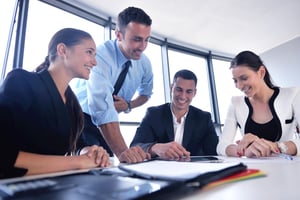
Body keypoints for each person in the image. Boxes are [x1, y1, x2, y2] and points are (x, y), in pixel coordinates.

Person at [0, 28, 111, 179]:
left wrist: (89, 153)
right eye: (89, 52)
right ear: (63, 50)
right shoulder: (21, 81)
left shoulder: (72, 104)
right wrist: (77, 162)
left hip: (53, 186)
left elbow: (78, 145)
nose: (95, 61)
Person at [73, 7, 153, 163]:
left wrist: (129, 105)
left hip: (109, 122)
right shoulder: (100, 56)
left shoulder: (144, 63)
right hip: (82, 119)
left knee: (110, 164)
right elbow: (102, 107)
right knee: (94, 163)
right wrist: (123, 152)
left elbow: (146, 94)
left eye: (147, 39)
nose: (143, 46)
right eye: (137, 39)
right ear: (118, 34)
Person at [217, 50, 300, 158]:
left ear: (261, 72)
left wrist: (275, 147)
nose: (239, 86)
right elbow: (221, 146)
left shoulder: (292, 95)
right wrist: (243, 150)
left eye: (244, 78)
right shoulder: (235, 103)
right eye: (235, 81)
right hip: (254, 170)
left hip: (286, 168)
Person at [130, 69, 219, 160]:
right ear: (171, 88)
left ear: (194, 93)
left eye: (188, 92)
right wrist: (155, 148)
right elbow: (136, 146)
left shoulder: (204, 118)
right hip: (160, 171)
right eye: (179, 90)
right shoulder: (154, 114)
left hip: (193, 170)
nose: (183, 96)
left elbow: (215, 151)